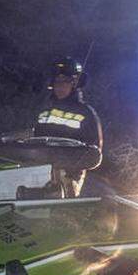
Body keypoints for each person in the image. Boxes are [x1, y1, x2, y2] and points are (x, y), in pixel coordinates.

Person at [31, 57, 103, 197]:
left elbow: (94, 152)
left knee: (63, 211)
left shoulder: (86, 113)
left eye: (65, 82)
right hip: (40, 171)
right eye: (57, 82)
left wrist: (71, 167)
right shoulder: (44, 111)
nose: (60, 86)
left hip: (70, 175)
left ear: (75, 84)